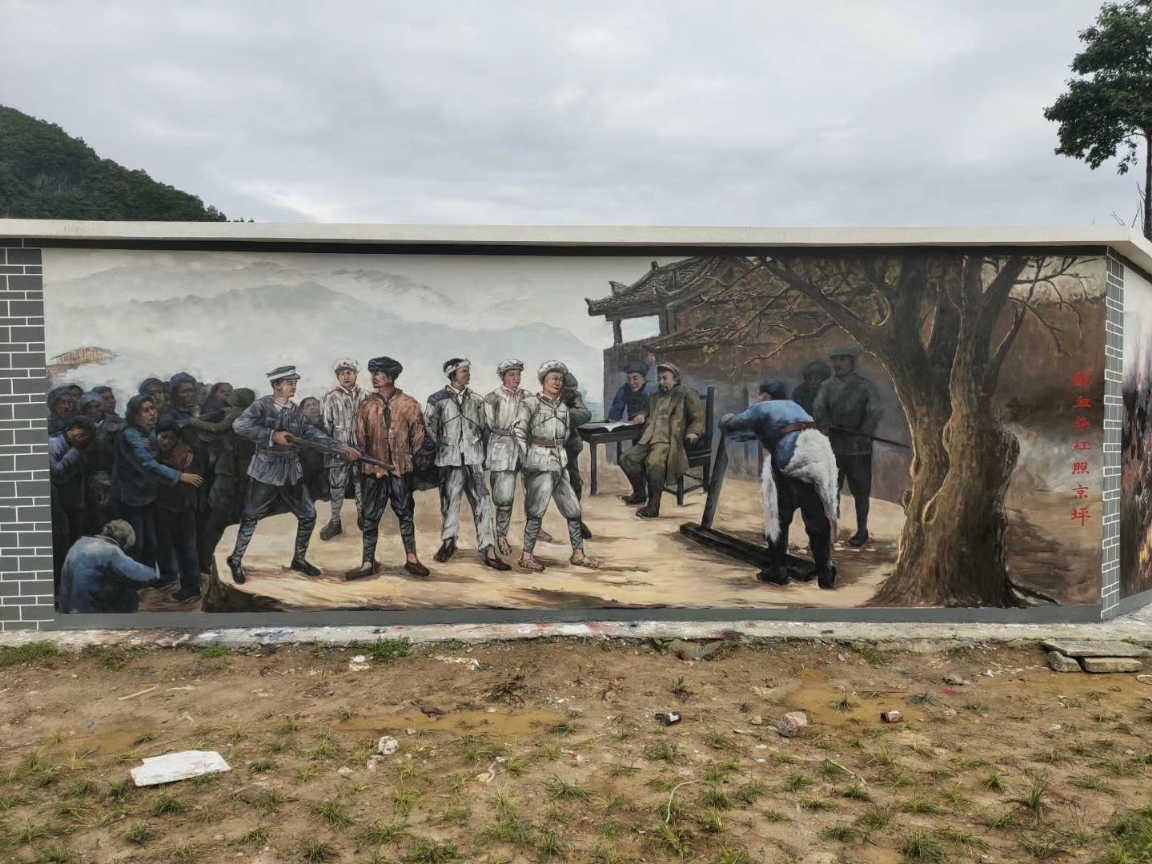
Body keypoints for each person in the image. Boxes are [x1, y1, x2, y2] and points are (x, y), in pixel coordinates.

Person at [226, 365, 359, 584]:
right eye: (290, 383)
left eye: (295, 383)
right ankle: (236, 559)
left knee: (308, 514)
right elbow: (239, 425)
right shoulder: (262, 406)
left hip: (291, 472)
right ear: (277, 385)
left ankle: (299, 559)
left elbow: (311, 434)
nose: (294, 386)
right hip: (265, 471)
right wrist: (271, 435)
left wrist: (341, 447)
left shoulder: (295, 410)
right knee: (251, 516)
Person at [720, 380, 838, 589]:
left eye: (760, 395)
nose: (758, 398)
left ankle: (778, 570)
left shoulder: (763, 407)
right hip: (818, 458)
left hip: (792, 460)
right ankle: (825, 572)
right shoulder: (795, 407)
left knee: (778, 515)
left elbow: (732, 424)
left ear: (766, 395)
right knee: (816, 517)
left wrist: (725, 418)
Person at [348, 356, 430, 579]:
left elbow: (418, 437)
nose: (374, 378)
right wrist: (367, 460)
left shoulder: (409, 404)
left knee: (405, 514)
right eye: (373, 373)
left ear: (391, 377)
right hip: (373, 472)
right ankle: (367, 562)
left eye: (379, 374)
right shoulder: (366, 405)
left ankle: (412, 559)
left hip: (400, 471)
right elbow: (359, 438)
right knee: (370, 517)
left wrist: (404, 460)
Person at [424, 358, 510, 570]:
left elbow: (485, 428)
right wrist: (443, 445)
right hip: (449, 460)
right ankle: (449, 542)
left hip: (474, 460)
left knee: (483, 502)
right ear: (453, 374)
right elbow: (429, 427)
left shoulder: (477, 400)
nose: (468, 375)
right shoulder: (437, 399)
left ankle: (488, 548)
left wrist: (482, 454)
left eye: (468, 371)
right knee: (450, 502)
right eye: (464, 371)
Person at [515, 362, 599, 572]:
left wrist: (559, 452)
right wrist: (527, 458)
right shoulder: (530, 404)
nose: (557, 383)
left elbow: (566, 434)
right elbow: (519, 432)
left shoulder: (563, 408)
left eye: (560, 379)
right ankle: (526, 556)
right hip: (539, 463)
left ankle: (578, 554)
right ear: (543, 381)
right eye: (553, 378)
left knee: (573, 509)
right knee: (536, 511)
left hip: (559, 463)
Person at [112, 394, 203, 570]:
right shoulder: (130, 435)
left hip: (149, 496)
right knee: (136, 543)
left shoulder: (150, 432)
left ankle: (150, 577)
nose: (152, 413)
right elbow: (147, 463)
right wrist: (179, 476)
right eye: (146, 411)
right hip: (131, 497)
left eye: (153, 408)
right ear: (135, 416)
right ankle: (136, 579)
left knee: (152, 543)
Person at [812, 347, 883, 547]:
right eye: (835, 359)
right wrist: (824, 425)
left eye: (843, 359)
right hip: (833, 447)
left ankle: (862, 530)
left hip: (858, 448)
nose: (838, 364)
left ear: (852, 362)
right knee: (830, 490)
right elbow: (818, 408)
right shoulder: (826, 386)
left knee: (861, 492)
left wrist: (864, 432)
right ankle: (831, 529)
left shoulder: (864, 386)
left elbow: (875, 410)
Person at [617, 362, 703, 518]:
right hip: (649, 437)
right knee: (626, 459)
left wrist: (693, 433)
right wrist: (642, 415)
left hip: (668, 440)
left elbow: (698, 418)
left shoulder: (686, 393)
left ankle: (653, 506)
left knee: (654, 463)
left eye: (665, 378)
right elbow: (646, 411)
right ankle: (639, 494)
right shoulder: (655, 397)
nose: (661, 382)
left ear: (675, 379)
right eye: (659, 379)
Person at [59, 520, 163, 613]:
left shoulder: (80, 543)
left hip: (68, 608)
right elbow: (141, 575)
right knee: (129, 594)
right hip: (89, 611)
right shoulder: (111, 551)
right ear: (123, 541)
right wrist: (156, 571)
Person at [155, 414, 204, 602]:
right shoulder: (160, 454)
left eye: (169, 437)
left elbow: (192, 480)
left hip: (183, 507)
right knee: (174, 547)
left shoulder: (185, 454)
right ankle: (182, 583)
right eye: (162, 437)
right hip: (167, 506)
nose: (165, 441)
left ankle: (192, 587)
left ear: (177, 438)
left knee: (187, 548)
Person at [484, 359, 528, 556]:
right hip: (502, 450)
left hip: (524, 450)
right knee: (504, 497)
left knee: (533, 491)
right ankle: (501, 535)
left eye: (518, 375)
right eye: (512, 375)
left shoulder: (527, 396)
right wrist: (513, 429)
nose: (516, 379)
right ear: (503, 377)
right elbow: (491, 424)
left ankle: (535, 529)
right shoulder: (492, 398)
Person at [320, 359, 365, 541]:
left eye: (349, 372)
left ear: (356, 374)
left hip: (361, 450)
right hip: (338, 450)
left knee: (361, 484)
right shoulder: (330, 397)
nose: (346, 376)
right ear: (337, 376)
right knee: (337, 486)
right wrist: (336, 447)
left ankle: (363, 517)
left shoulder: (365, 396)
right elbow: (326, 426)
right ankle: (335, 521)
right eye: (341, 373)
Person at [49, 416, 94, 597]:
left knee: (73, 548)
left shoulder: (79, 448)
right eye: (82, 434)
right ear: (72, 428)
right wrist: (75, 453)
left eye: (87, 436)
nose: (83, 439)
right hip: (58, 507)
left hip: (74, 506)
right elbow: (57, 475)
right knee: (60, 548)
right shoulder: (53, 444)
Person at [561, 371, 593, 539]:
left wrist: (562, 413)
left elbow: (585, 414)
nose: (570, 393)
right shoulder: (544, 396)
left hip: (568, 448)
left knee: (575, 484)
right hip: (545, 450)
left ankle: (576, 522)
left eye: (571, 390)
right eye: (567, 390)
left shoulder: (573, 397)